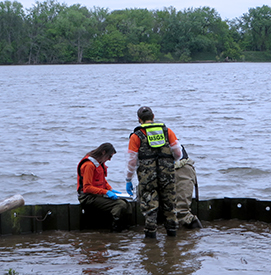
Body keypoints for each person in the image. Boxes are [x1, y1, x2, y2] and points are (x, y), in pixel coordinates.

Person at [126, 106, 182, 238]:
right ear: (153, 116)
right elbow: (178, 153)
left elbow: (132, 161)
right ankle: (172, 236)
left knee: (150, 207)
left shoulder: (136, 136)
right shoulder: (167, 131)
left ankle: (151, 241)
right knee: (170, 205)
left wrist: (128, 179)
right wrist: (169, 162)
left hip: (147, 176)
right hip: (167, 174)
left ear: (139, 119)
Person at [77, 143, 130, 232]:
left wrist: (110, 189)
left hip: (96, 195)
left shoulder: (98, 163)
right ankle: (115, 229)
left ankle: (123, 228)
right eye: (109, 156)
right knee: (120, 204)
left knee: (126, 203)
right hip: (87, 197)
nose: (109, 159)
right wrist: (106, 192)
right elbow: (87, 188)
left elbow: (101, 180)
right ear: (103, 152)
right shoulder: (89, 165)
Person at [175, 145, 203, 229]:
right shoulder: (168, 134)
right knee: (182, 213)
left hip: (181, 167)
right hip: (183, 166)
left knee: (151, 211)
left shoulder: (137, 137)